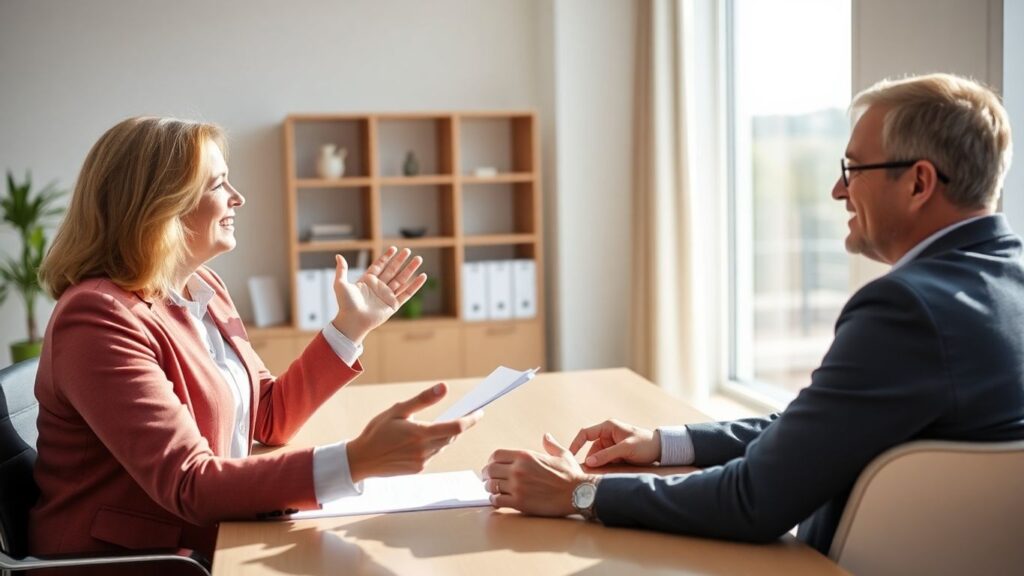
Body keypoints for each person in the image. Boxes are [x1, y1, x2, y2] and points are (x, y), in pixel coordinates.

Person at [482, 73, 1024, 554]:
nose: (838, 189)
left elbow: (753, 501)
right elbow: (822, 427)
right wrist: (666, 443)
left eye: (852, 169)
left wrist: (579, 493)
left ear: (918, 182)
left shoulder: (907, 310)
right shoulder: (1003, 287)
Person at [29, 116, 481, 563]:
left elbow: (269, 417)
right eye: (217, 184)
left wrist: (350, 327)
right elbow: (189, 483)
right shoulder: (98, 317)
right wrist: (354, 461)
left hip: (214, 535)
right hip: (137, 561)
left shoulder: (203, 287)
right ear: (160, 205)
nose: (237, 198)